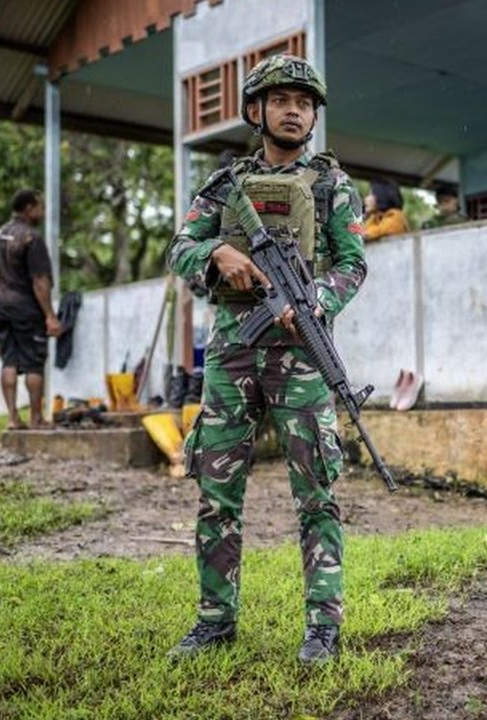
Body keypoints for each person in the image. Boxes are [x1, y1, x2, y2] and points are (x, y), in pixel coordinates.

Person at [164, 54, 367, 667]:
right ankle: (214, 621)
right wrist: (218, 255)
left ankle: (323, 627)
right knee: (217, 493)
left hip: (301, 356)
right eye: (281, 100)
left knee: (317, 493)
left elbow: (352, 264)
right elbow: (180, 246)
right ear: (256, 110)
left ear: (314, 117)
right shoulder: (224, 185)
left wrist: (314, 300)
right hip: (232, 352)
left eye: (304, 103)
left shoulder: (333, 186)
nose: (293, 111)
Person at [0, 188, 61, 430]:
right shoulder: (31, 238)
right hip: (25, 308)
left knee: (9, 361)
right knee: (33, 363)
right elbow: (40, 281)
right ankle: (36, 418)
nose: (42, 212)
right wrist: (50, 315)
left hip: (1, 305)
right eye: (40, 207)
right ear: (29, 208)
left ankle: (12, 418)